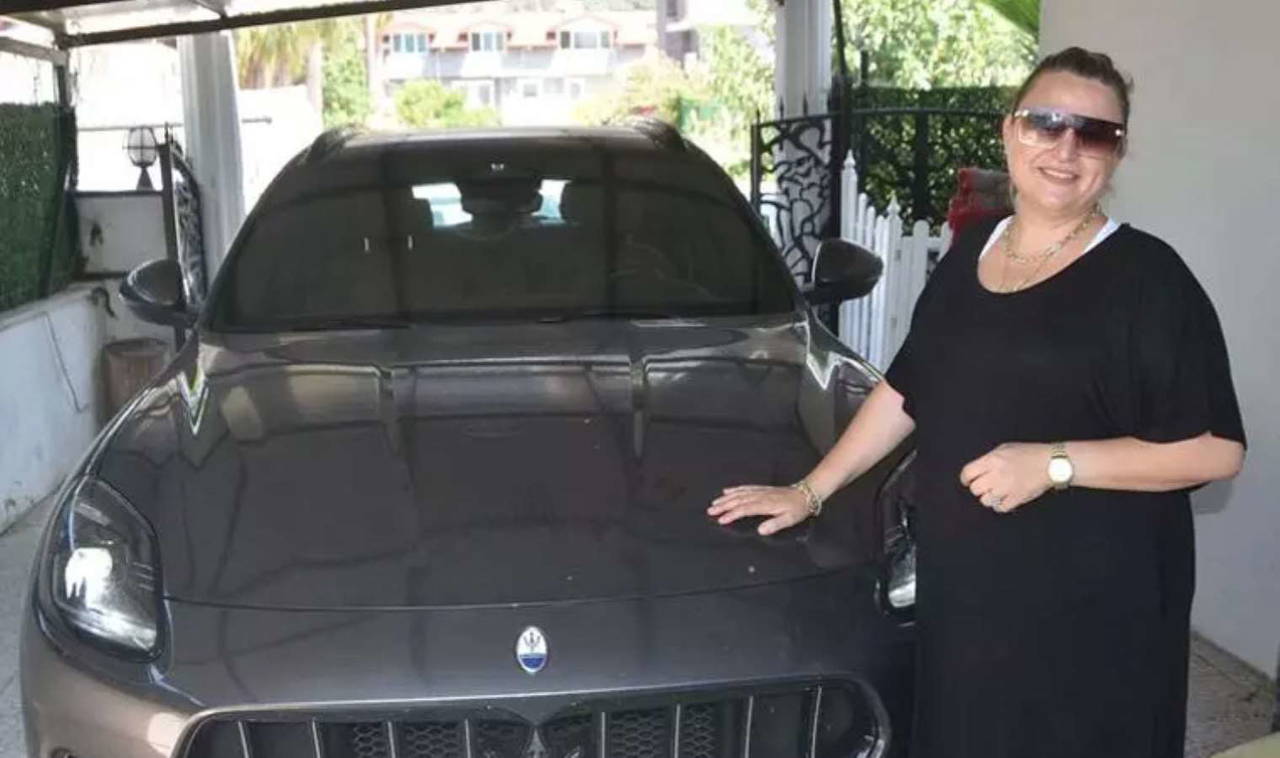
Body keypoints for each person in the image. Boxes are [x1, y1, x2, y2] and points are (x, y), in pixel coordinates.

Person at [708, 47, 1247, 758]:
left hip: (1094, 613)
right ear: (1009, 130)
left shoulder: (1150, 279)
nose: (1065, 148)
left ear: (1116, 155)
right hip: (969, 590)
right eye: (1046, 122)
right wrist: (810, 491)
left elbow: (1215, 450)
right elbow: (908, 388)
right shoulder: (971, 253)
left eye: (1094, 133)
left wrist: (1054, 464)